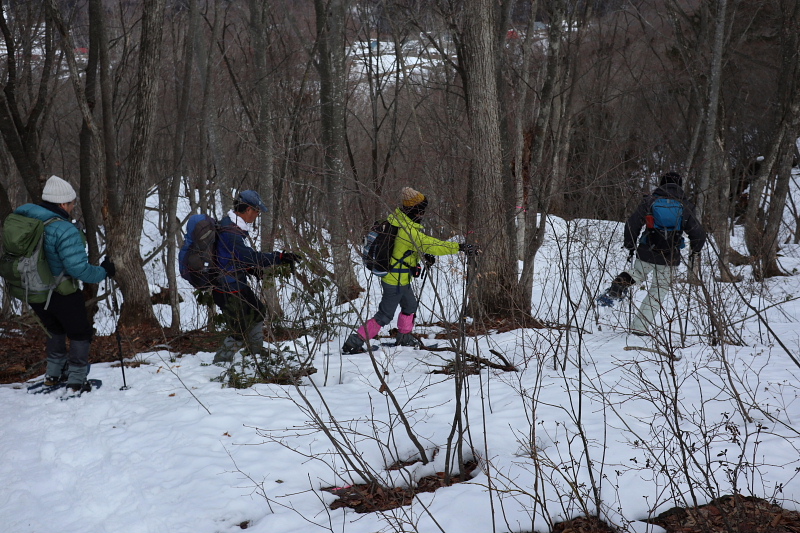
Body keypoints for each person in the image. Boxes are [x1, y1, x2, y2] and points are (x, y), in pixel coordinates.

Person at [342, 187, 480, 354]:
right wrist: (460, 247)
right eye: (421, 210)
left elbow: (403, 250)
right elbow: (433, 245)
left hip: (402, 279)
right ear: (415, 210)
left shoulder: (397, 221)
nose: (422, 214)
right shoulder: (407, 231)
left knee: (410, 305)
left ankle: (404, 337)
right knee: (385, 315)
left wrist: (420, 255)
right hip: (395, 281)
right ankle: (354, 342)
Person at [14, 175, 115, 392]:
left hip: (33, 290)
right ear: (62, 203)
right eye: (71, 203)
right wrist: (105, 271)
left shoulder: (26, 220)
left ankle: (52, 375)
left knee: (54, 331)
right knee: (80, 333)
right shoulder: (64, 229)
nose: (72, 207)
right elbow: (78, 269)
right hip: (62, 292)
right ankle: (77, 379)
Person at [598, 172, 706, 335]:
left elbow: (632, 224)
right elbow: (697, 232)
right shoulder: (686, 205)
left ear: (662, 184)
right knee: (658, 290)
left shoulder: (650, 201)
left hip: (647, 249)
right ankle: (639, 328)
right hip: (670, 256)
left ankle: (622, 282)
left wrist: (630, 244)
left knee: (638, 273)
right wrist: (696, 250)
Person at [211, 190, 300, 364]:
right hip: (227, 287)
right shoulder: (231, 232)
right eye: (257, 211)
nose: (258, 215)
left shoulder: (231, 225)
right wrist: (279, 257)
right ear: (248, 209)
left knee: (258, 311)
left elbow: (231, 257)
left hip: (235, 283)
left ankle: (256, 352)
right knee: (239, 327)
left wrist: (250, 270)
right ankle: (220, 362)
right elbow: (249, 256)